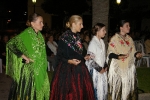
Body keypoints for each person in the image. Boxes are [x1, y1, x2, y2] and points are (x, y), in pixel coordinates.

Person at [50, 15, 95, 100]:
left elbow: (77, 53)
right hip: (67, 70)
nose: (82, 26)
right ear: (73, 24)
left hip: (79, 69)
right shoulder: (65, 37)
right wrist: (69, 61)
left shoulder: (77, 37)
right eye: (80, 24)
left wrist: (84, 57)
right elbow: (59, 56)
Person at [6, 13, 50, 100]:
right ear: (33, 24)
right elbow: (10, 44)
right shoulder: (26, 34)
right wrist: (23, 56)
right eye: (40, 22)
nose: (43, 24)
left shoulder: (40, 36)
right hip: (30, 71)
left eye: (43, 22)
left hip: (40, 68)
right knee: (29, 93)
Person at [107, 20, 142, 100]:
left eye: (129, 26)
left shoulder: (129, 39)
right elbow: (110, 53)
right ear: (121, 28)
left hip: (129, 69)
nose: (129, 27)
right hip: (118, 70)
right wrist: (118, 56)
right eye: (127, 26)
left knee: (129, 90)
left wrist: (137, 54)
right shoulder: (114, 39)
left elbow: (133, 51)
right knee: (119, 91)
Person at [85, 23, 108, 100]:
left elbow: (103, 57)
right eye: (103, 30)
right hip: (96, 72)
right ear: (97, 31)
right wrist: (99, 69)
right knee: (96, 92)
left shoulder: (102, 42)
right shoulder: (93, 43)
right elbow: (90, 59)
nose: (105, 32)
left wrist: (105, 66)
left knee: (103, 92)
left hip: (102, 71)